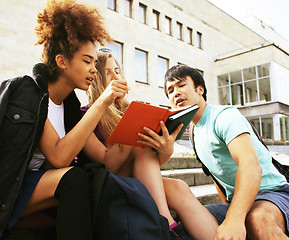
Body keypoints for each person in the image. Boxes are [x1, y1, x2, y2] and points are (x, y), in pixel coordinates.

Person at [0, 0, 120, 239]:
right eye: (87, 61)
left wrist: (133, 134)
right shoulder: (30, 92)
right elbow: (58, 157)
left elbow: (107, 159)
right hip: (8, 187)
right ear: (61, 61)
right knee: (73, 179)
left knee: (93, 181)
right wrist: (101, 103)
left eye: (95, 63)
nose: (94, 70)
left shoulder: (70, 105)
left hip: (32, 186)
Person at [78, 51, 218, 240]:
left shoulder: (128, 108)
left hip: (134, 178)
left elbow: (149, 165)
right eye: (107, 72)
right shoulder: (85, 115)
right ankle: (167, 224)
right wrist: (130, 131)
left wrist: (165, 148)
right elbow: (105, 162)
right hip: (108, 181)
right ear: (95, 78)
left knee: (179, 187)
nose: (115, 77)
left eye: (117, 71)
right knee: (139, 140)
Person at [164, 64, 289, 240]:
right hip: (238, 202)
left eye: (181, 85)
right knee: (190, 222)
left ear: (200, 89)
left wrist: (234, 219)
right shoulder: (193, 133)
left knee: (257, 220)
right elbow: (217, 177)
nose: (175, 92)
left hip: (273, 193)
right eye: (170, 90)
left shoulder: (224, 116)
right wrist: (228, 210)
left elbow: (250, 165)